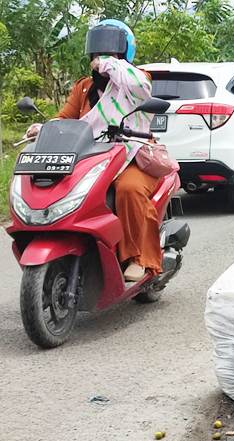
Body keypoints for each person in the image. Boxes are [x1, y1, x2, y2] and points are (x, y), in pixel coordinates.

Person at [25, 20, 160, 282]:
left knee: (128, 189)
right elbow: (65, 118)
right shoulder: (84, 87)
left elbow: (139, 87)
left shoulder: (137, 80)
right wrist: (43, 128)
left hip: (131, 155)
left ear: (124, 56)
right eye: (97, 55)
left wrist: (110, 64)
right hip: (92, 156)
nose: (100, 61)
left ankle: (137, 258)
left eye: (109, 54)